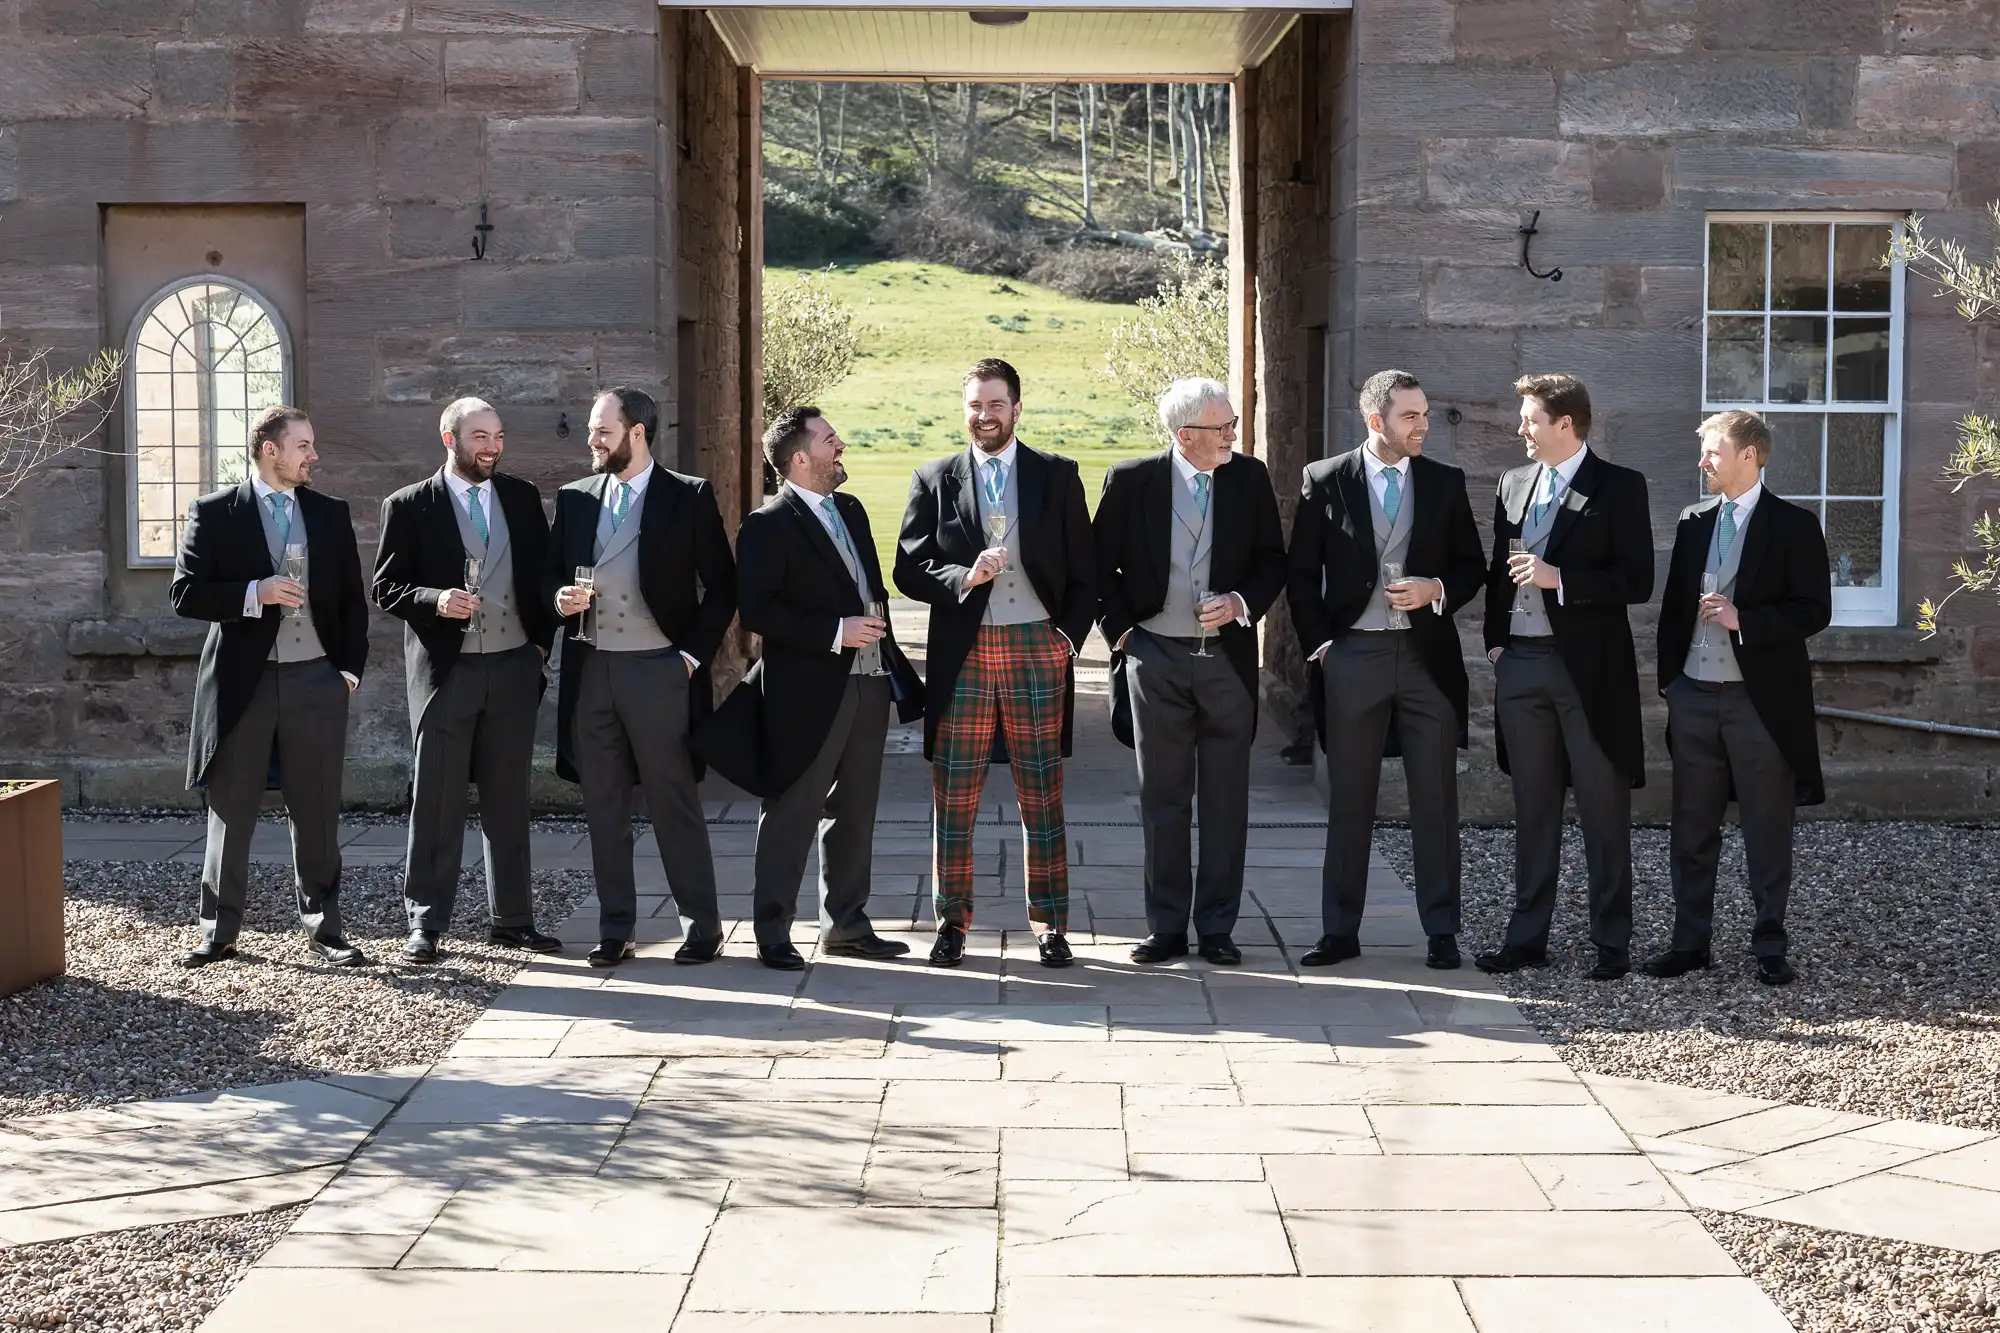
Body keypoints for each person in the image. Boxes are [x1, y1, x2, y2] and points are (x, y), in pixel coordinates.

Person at [895, 358, 1096, 969]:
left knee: (1042, 793)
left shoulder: (1056, 476)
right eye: (975, 405)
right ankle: (951, 924)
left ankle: (1051, 924)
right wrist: (963, 575)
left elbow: (1086, 574)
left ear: (1016, 407)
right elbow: (907, 569)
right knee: (955, 797)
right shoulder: (934, 478)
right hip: (965, 655)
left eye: (996, 404)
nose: (985, 415)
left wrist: (1065, 640)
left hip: (1038, 645)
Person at [714, 407, 928, 970]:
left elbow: (867, 588)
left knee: (856, 812)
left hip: (870, 686)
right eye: (832, 440)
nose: (843, 447)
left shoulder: (851, 510)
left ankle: (848, 925)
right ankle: (773, 931)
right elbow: (757, 610)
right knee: (792, 809)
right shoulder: (767, 524)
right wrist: (836, 632)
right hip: (805, 693)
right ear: (800, 458)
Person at [1286, 369, 1485, 971]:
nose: (1422, 425)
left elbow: (1473, 567)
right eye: (1410, 416)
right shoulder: (1324, 480)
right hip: (1353, 656)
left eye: (1425, 413)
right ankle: (1340, 931)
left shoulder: (1445, 483)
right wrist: (1323, 647)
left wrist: (1437, 587)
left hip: (1427, 662)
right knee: (1350, 799)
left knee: (1436, 798)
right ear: (1377, 421)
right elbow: (1300, 576)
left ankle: (1442, 931)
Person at [1093, 379, 1285, 966]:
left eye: (1231, 425)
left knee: (1226, 799)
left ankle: (1218, 929)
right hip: (1156, 657)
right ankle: (1167, 928)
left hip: (1226, 659)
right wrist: (1125, 636)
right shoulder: (1132, 481)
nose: (1232, 434)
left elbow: (1273, 561)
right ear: (1185, 435)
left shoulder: (1249, 478)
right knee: (1164, 797)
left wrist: (1240, 605)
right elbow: (1100, 566)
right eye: (1222, 427)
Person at [170, 405, 369, 968]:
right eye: (302, 446)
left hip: (317, 679)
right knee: (231, 809)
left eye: (312, 444)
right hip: (243, 682)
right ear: (270, 450)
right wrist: (255, 591)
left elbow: (354, 601)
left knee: (317, 809)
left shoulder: (330, 513)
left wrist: (346, 672)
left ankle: (325, 929)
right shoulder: (214, 513)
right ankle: (219, 931)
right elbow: (185, 594)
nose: (313, 455)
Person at [546, 386, 736, 969]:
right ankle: (615, 929)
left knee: (672, 800)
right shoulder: (575, 499)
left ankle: (702, 926)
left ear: (638, 433)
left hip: (660, 669)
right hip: (592, 669)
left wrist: (688, 658)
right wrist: (558, 600)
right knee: (602, 804)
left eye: (603, 431)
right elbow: (550, 580)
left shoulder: (689, 496)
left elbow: (724, 587)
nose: (592, 441)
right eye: (590, 431)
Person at [1475, 373, 1654, 982]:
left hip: (1588, 672)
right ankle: (1527, 939)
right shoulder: (1512, 482)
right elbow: (1499, 570)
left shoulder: (1620, 487)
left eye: (1530, 419)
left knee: (1603, 809)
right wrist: (1497, 643)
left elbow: (1637, 581)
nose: (1520, 429)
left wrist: (1562, 581)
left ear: (1565, 425)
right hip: (1521, 666)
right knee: (1532, 809)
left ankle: (1612, 943)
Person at [372, 397, 560, 964]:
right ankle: (426, 925)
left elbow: (544, 573)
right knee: (437, 801)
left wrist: (538, 649)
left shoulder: (522, 498)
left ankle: (513, 920)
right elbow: (386, 588)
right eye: (480, 437)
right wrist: (436, 600)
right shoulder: (408, 505)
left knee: (509, 800)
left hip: (512, 667)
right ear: (449, 439)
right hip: (446, 673)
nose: (492, 448)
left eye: (498, 436)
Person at [1649, 410, 1830, 986]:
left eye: (1713, 452)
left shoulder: (1795, 526)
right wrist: (1671, 685)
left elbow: (1814, 611)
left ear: (1749, 455)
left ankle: (1770, 944)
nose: (1703, 462)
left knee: (1766, 827)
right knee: (1691, 825)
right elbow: (1674, 608)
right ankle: (1689, 943)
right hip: (1694, 694)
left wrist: (1741, 619)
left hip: (1761, 702)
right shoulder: (1693, 520)